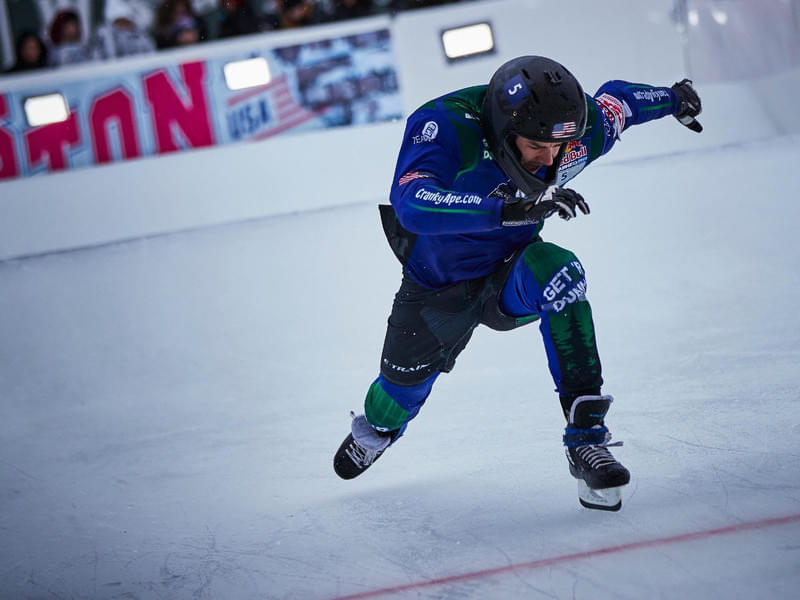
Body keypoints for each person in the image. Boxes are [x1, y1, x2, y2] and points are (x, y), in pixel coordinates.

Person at [332, 55, 702, 511]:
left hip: (511, 270)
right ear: (503, 131)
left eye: (559, 149)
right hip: (437, 288)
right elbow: (411, 201)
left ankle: (586, 440)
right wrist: (506, 211)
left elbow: (620, 103)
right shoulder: (447, 125)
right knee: (399, 391)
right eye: (536, 147)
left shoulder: (572, 136)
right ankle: (380, 430)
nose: (550, 161)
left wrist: (675, 98)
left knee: (562, 273)